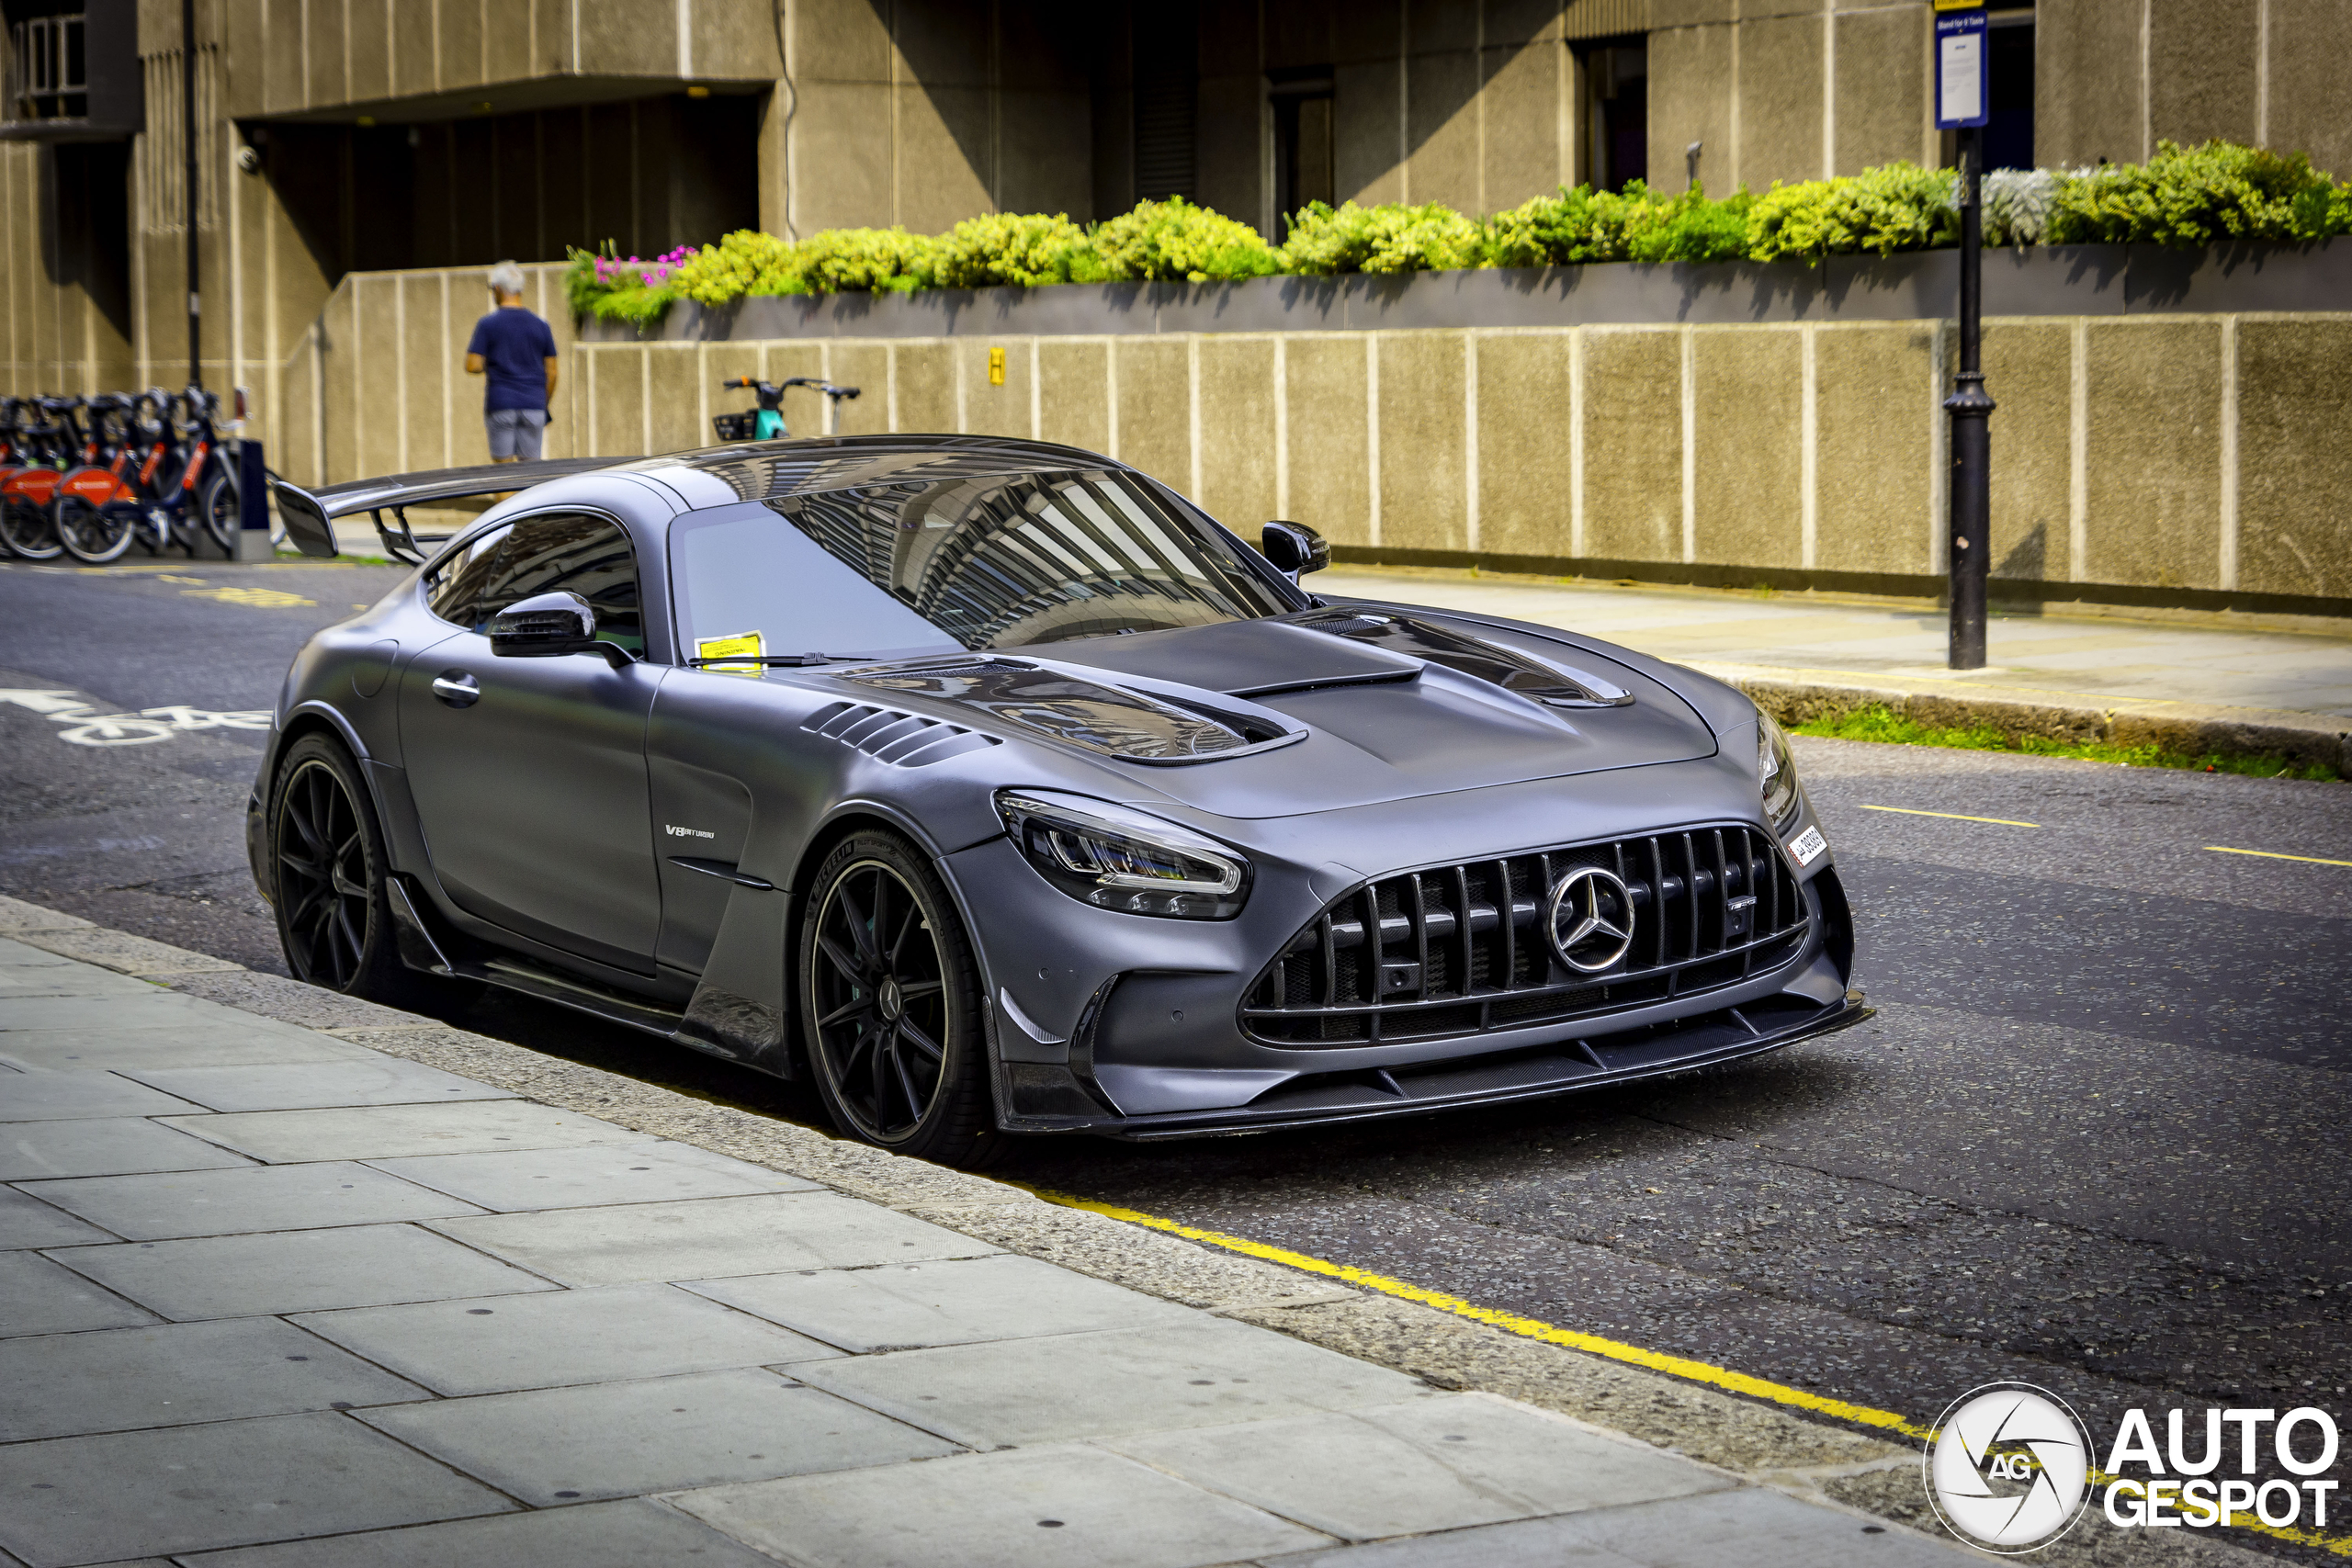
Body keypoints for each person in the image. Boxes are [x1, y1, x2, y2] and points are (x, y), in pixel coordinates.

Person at [464, 262, 558, 464]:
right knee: (530, 475)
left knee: (502, 476)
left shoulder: (488, 324)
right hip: (534, 406)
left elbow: (472, 365)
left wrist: (490, 363)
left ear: (497, 288)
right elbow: (552, 372)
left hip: (501, 404)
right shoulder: (541, 325)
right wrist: (542, 403)